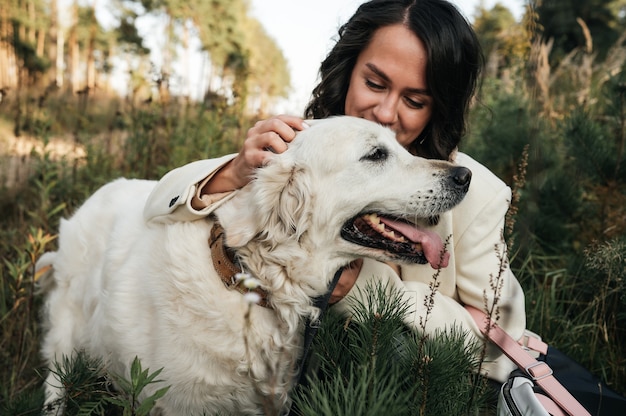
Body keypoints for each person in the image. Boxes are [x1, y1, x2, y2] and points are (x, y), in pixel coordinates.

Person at [143, 0, 526, 385]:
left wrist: (363, 290)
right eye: (374, 84)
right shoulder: (314, 146)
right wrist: (237, 170)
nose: (386, 112)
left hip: (408, 388)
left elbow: (503, 341)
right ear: (348, 71)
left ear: (438, 108)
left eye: (414, 101)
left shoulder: (476, 192)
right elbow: (159, 202)